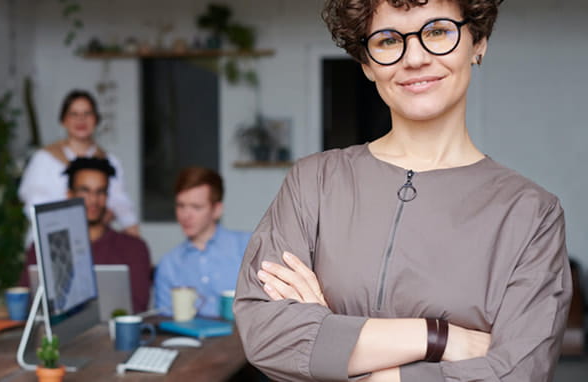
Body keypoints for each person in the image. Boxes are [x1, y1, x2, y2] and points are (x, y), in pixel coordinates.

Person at [234, 1, 572, 381]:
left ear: (478, 42)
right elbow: (266, 334)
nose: (414, 58)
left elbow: (518, 373)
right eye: (389, 40)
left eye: (438, 32)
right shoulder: (314, 182)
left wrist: (330, 346)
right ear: (367, 63)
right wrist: (439, 338)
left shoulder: (531, 213)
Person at [19, 157, 152, 312]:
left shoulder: (134, 248)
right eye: (85, 191)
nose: (93, 200)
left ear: (107, 196)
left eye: (100, 192)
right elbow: (26, 304)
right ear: (69, 195)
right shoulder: (43, 247)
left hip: (112, 333)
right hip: (59, 333)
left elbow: (138, 307)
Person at [18, 89, 139, 238]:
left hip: (95, 240)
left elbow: (121, 206)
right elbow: (34, 205)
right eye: (74, 114)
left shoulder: (109, 161)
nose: (81, 120)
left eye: (87, 114)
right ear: (64, 120)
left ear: (96, 119)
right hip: (51, 238)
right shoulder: (44, 159)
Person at [154, 167, 251, 318]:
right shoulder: (169, 264)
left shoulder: (247, 246)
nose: (186, 215)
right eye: (181, 206)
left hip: (244, 339)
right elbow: (164, 321)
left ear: (217, 210)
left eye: (196, 207)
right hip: (189, 340)